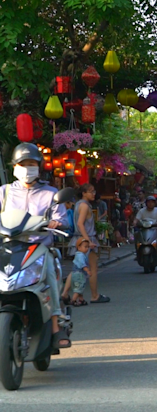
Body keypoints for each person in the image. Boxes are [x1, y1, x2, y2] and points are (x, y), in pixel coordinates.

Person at [0, 143, 71, 348]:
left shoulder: (50, 193)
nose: (27, 169)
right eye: (23, 164)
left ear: (39, 167)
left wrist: (57, 223)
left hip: (38, 248)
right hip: (8, 246)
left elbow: (62, 220)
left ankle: (56, 326)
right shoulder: (4, 192)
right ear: (14, 166)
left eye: (31, 164)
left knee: (50, 275)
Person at [64, 183, 110, 304]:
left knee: (77, 268)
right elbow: (80, 224)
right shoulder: (84, 206)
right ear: (84, 193)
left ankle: (65, 293)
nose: (93, 194)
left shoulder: (78, 204)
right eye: (91, 192)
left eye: (94, 191)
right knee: (93, 268)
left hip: (78, 239)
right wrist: (88, 241)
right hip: (86, 239)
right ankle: (95, 295)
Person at [70, 237, 92, 306]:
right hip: (79, 274)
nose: (87, 249)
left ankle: (81, 299)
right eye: (85, 247)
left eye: (88, 247)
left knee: (80, 287)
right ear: (79, 247)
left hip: (76, 274)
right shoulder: (80, 256)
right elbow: (82, 264)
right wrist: (87, 270)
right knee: (79, 287)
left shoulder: (79, 255)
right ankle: (73, 300)